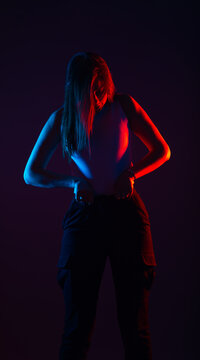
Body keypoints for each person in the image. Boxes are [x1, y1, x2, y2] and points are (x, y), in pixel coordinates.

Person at [23, 52, 171, 360]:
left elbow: (162, 150)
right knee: (77, 325)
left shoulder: (124, 106)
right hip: (86, 217)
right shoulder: (63, 119)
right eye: (91, 88)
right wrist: (72, 183)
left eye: (101, 86)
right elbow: (31, 172)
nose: (98, 95)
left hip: (127, 214)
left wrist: (131, 173)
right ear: (76, 88)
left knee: (135, 325)